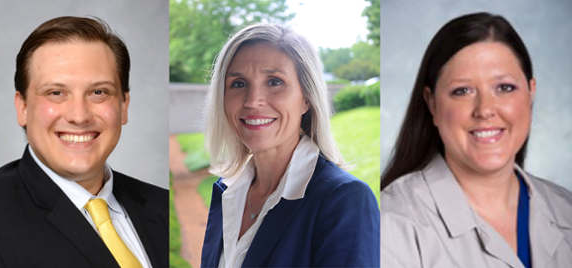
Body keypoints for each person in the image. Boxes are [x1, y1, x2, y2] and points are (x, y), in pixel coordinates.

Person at [0, 16, 168, 268]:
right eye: (56, 93)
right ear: (22, 107)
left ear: (123, 106)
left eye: (99, 92)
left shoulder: (162, 205)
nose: (79, 116)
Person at [381, 12, 572, 268]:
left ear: (530, 92)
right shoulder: (391, 222)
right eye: (463, 91)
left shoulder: (566, 209)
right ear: (432, 103)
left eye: (504, 87)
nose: (485, 109)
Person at [199, 23, 380, 268]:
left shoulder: (344, 200)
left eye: (274, 81)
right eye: (239, 84)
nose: (253, 101)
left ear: (306, 98)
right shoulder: (226, 190)